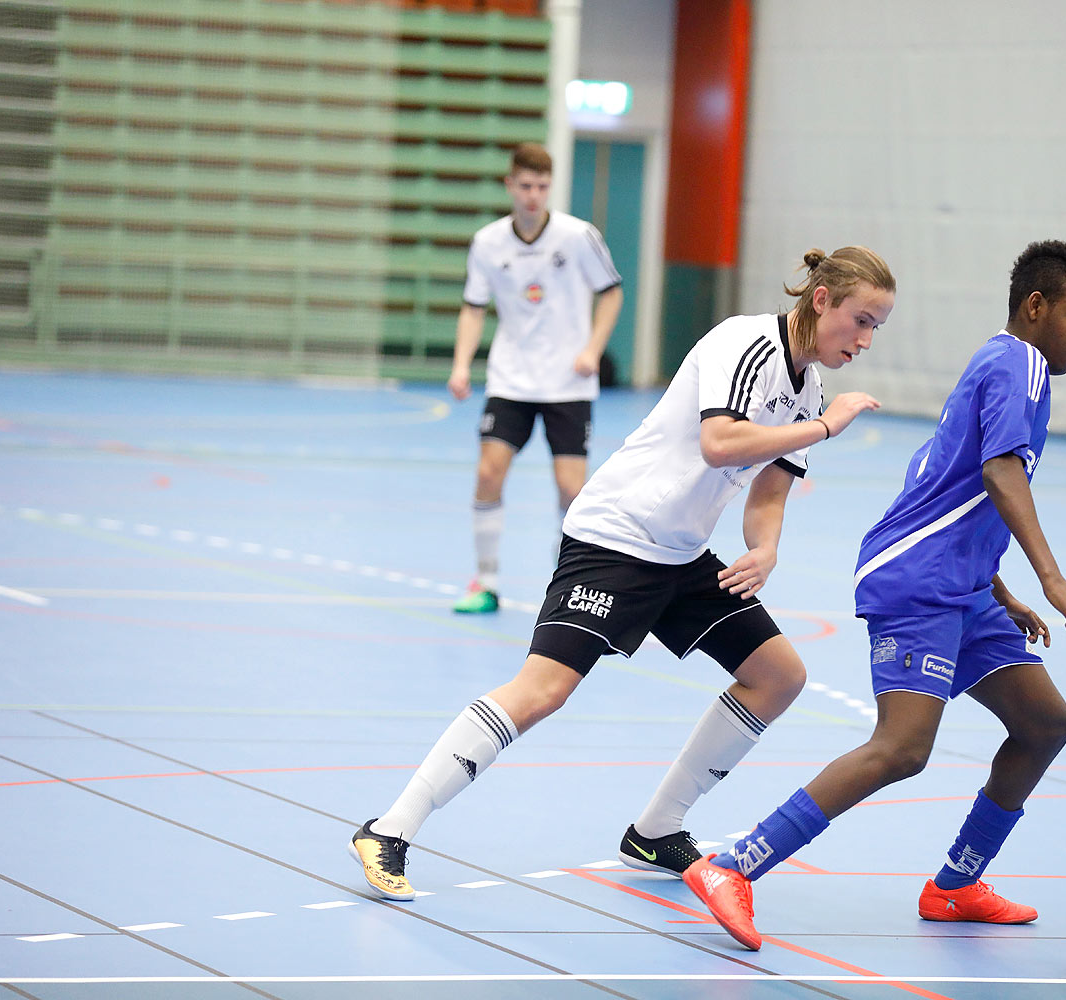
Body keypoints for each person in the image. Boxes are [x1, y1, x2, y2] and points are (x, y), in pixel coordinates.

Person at [350, 247, 898, 900]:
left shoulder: (807, 389)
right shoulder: (745, 344)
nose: (864, 340)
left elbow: (770, 493)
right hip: (616, 537)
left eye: (876, 328)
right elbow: (720, 442)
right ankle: (390, 828)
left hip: (681, 554)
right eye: (861, 320)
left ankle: (656, 830)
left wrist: (765, 549)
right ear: (821, 301)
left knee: (778, 676)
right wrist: (823, 429)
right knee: (544, 689)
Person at [682, 240, 1066, 951]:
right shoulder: (1017, 362)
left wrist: (999, 590)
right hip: (919, 582)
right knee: (902, 748)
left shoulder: (1010, 368)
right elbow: (1001, 475)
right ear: (1036, 308)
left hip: (961, 585)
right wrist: (1053, 581)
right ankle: (734, 866)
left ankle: (955, 885)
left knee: (1044, 725)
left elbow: (948, 487)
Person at [446, 141, 625, 614]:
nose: (533, 195)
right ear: (510, 186)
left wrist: (592, 349)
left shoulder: (577, 236)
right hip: (511, 380)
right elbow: (473, 306)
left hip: (568, 383)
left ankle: (567, 577)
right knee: (488, 472)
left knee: (571, 489)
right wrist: (462, 364)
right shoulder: (488, 242)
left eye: (542, 187)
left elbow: (611, 293)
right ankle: (484, 582)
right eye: (525, 186)